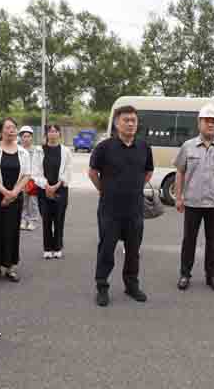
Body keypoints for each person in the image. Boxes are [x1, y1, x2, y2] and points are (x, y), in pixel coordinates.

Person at [88, 105, 154, 307]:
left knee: (133, 250)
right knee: (106, 249)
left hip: (135, 210)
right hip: (110, 210)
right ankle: (102, 286)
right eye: (126, 120)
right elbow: (92, 172)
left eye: (134, 120)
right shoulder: (104, 147)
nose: (131, 124)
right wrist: (104, 190)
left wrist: (134, 187)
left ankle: (131, 285)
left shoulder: (144, 147)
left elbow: (148, 172)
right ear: (117, 123)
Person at [174, 103, 214, 292]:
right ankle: (185, 274)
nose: (210, 124)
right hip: (192, 202)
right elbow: (180, 172)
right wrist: (178, 197)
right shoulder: (188, 146)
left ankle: (212, 276)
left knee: (212, 242)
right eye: (207, 121)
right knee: (189, 240)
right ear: (199, 123)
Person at [0, 118, 31, 283]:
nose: (12, 130)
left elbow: (26, 175)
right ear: (1, 131)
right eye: (8, 127)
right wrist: (4, 192)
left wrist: (13, 193)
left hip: (15, 198)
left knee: (12, 231)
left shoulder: (23, 152)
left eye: (14, 127)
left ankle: (10, 266)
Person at [32, 124, 73, 259]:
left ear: (59, 134)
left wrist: (57, 185)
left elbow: (68, 169)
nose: (53, 133)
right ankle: (47, 248)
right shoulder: (39, 150)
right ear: (46, 134)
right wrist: (46, 185)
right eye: (50, 131)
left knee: (59, 219)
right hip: (43, 190)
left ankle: (58, 247)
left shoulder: (66, 151)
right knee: (46, 219)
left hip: (60, 189)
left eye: (55, 131)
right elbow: (35, 171)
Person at [19, 125, 40, 231]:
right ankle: (23, 220)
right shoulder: (18, 150)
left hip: (32, 180)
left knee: (32, 202)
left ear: (32, 137)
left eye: (28, 136)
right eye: (24, 136)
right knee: (22, 202)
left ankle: (33, 221)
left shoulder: (37, 150)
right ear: (21, 138)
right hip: (21, 180)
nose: (26, 139)